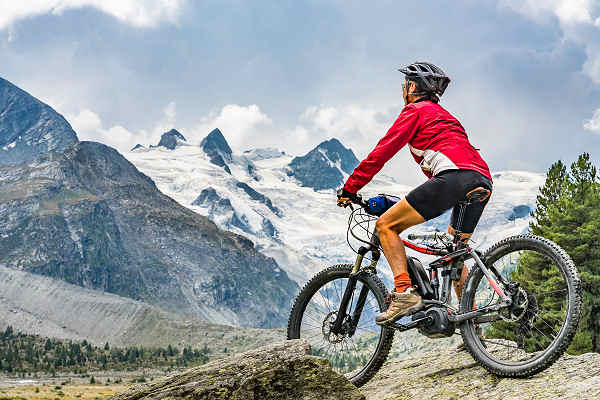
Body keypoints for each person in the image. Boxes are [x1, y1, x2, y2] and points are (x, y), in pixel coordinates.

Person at [337, 61, 493, 327]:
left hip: (453, 177)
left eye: (404, 85)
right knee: (454, 255)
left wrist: (351, 188)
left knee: (386, 225)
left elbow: (380, 154)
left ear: (411, 87)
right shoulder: (446, 117)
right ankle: (473, 328)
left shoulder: (415, 111)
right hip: (481, 180)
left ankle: (403, 293)